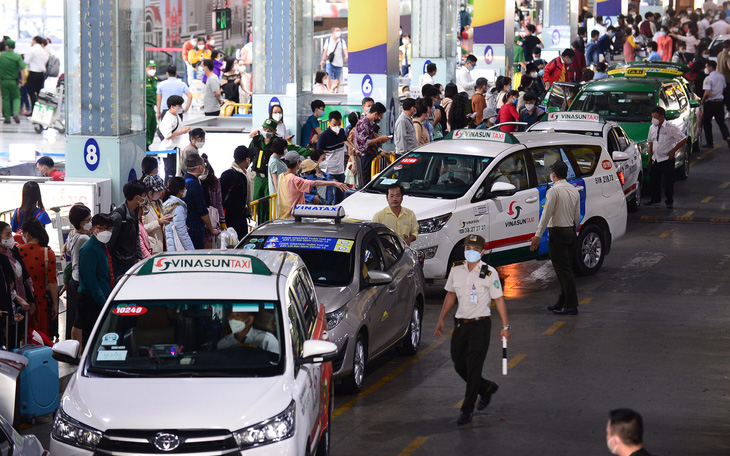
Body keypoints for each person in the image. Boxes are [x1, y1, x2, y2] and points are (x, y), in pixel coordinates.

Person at [434, 234, 510, 425]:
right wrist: (441, 318)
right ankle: (485, 388)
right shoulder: (456, 270)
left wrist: (505, 326)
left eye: (476, 250)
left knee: (474, 367)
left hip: (480, 325)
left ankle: (467, 409)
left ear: (482, 252)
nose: (471, 252)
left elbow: (499, 299)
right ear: (464, 249)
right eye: (469, 248)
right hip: (460, 324)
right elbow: (451, 295)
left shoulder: (489, 273)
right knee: (459, 363)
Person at [530, 161, 581, 315]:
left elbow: (546, 214)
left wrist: (538, 235)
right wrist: (573, 230)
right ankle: (562, 301)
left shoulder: (554, 191)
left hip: (558, 234)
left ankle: (571, 305)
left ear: (554, 175)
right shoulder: (574, 190)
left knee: (563, 271)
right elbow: (576, 216)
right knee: (565, 270)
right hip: (570, 232)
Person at [77, 213, 115, 346]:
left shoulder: (102, 246)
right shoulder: (88, 249)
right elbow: (91, 281)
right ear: (93, 229)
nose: (106, 232)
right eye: (102, 228)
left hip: (103, 296)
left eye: (109, 228)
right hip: (92, 300)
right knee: (92, 339)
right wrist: (104, 303)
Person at [276, 151, 348, 219]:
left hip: (282, 215)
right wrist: (334, 183)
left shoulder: (281, 176)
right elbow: (314, 183)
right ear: (298, 162)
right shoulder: (295, 179)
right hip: (293, 216)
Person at [18, 218, 58, 339]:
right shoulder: (48, 253)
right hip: (40, 297)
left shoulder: (18, 250)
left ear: (27, 234)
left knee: (24, 331)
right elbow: (52, 282)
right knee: (40, 332)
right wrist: (55, 304)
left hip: (22, 296)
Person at [108, 180, 146, 280]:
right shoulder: (118, 216)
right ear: (137, 197)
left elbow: (136, 236)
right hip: (119, 265)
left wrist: (138, 256)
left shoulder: (135, 210)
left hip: (132, 261)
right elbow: (109, 243)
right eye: (144, 195)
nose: (145, 198)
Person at [65, 204, 91, 343]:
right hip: (82, 280)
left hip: (75, 279)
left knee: (76, 316)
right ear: (81, 222)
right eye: (89, 219)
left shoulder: (72, 234)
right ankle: (80, 349)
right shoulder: (84, 239)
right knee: (80, 319)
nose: (91, 223)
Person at [183, 153, 220, 248]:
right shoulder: (195, 185)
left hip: (185, 226)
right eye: (203, 165)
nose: (204, 168)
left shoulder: (184, 180)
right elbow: (202, 210)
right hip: (194, 228)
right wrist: (211, 229)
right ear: (199, 168)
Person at [353, 102, 391, 184]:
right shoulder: (363, 123)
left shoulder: (370, 124)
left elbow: (372, 141)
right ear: (376, 114)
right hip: (365, 158)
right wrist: (379, 139)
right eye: (381, 116)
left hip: (370, 156)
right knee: (365, 183)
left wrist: (380, 141)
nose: (380, 119)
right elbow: (365, 143)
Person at [219, 146, 252, 240]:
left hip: (241, 215)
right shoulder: (229, 174)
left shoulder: (244, 174)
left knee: (242, 241)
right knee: (233, 243)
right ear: (247, 159)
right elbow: (221, 196)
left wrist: (247, 212)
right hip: (230, 217)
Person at [316, 110, 348, 202]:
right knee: (330, 197)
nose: (337, 127)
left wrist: (354, 148)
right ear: (329, 123)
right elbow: (318, 154)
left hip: (340, 171)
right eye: (334, 125)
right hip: (328, 171)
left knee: (340, 198)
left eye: (339, 124)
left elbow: (346, 141)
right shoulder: (323, 136)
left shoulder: (342, 132)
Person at [157, 95, 190, 179]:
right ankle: (168, 190)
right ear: (172, 106)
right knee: (170, 172)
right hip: (169, 150)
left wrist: (184, 129)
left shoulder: (176, 115)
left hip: (175, 147)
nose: (181, 108)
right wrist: (182, 131)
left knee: (175, 171)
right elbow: (167, 136)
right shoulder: (168, 118)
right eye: (179, 106)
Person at [701, 61, 730, 149]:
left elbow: (707, 93)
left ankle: (710, 143)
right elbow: (724, 88)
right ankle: (727, 137)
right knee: (721, 123)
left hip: (710, 103)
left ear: (710, 67)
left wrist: (702, 101)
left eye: (707, 67)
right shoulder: (721, 77)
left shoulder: (708, 79)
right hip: (719, 103)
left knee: (707, 123)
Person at [199, 155, 226, 248]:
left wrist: (222, 221)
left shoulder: (214, 182)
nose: (204, 172)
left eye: (205, 169)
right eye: (202, 169)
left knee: (210, 243)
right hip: (200, 219)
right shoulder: (195, 182)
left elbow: (218, 202)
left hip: (212, 218)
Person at [141, 174, 171, 254]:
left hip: (163, 243)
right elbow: (142, 229)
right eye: (158, 191)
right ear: (149, 192)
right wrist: (158, 222)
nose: (160, 192)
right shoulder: (143, 207)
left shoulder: (159, 202)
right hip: (151, 246)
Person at [163, 176, 194, 251]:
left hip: (168, 243)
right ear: (180, 190)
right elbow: (181, 231)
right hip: (175, 246)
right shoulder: (178, 206)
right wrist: (191, 250)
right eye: (184, 188)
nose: (186, 190)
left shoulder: (166, 202)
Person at [0, 39, 26, 124]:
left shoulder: (1, 56)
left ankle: (7, 118)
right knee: (16, 97)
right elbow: (22, 69)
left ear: (6, 46)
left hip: (3, 81)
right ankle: (15, 113)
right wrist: (23, 80)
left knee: (5, 99)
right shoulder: (17, 57)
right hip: (14, 81)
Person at [23, 36, 47, 114]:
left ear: (34, 41)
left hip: (33, 73)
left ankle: (34, 111)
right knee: (40, 93)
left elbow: (26, 61)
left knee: (31, 92)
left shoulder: (32, 49)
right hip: (41, 74)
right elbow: (46, 60)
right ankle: (40, 112)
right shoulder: (43, 51)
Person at [145, 60, 158, 149]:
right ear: (146, 68)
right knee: (148, 126)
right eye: (150, 68)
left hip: (152, 107)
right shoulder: (144, 80)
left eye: (154, 68)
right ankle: (146, 146)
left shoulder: (154, 80)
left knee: (153, 126)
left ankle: (149, 144)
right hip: (146, 106)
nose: (152, 69)